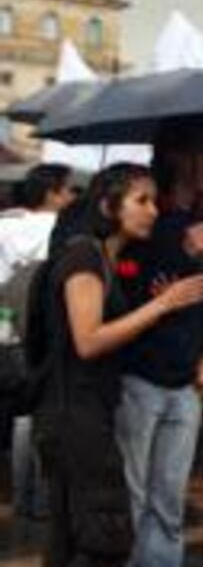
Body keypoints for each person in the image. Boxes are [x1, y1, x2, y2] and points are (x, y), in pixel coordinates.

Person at [32, 164, 203, 567]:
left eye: (154, 201)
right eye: (140, 201)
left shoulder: (105, 260)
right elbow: (89, 340)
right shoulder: (84, 257)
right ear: (109, 206)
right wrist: (162, 304)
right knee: (101, 539)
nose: (152, 211)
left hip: (82, 411)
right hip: (75, 416)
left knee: (71, 539)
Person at [115, 116, 203, 567]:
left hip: (187, 375)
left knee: (170, 501)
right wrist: (169, 270)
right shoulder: (143, 214)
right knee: (132, 495)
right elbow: (122, 287)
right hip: (138, 370)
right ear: (177, 155)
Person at [2, 163, 75, 521]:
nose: (71, 196)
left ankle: (21, 498)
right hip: (46, 329)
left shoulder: (4, 226)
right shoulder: (62, 230)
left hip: (9, 329)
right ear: (51, 193)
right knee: (46, 413)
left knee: (22, 414)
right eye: (66, 190)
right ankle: (45, 501)